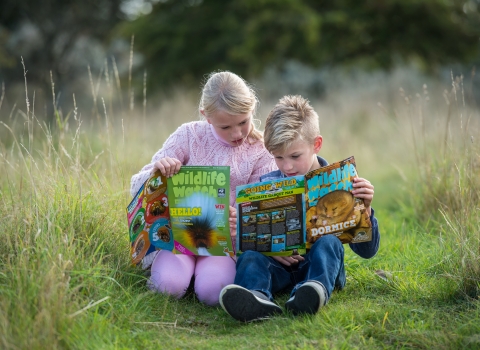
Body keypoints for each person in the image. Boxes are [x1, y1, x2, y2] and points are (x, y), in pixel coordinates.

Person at [219, 95, 380, 321]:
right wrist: (248, 234)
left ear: (316, 144)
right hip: (279, 269)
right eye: (278, 157)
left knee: (329, 242)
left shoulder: (344, 183)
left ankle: (314, 290)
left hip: (318, 266)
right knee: (251, 255)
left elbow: (367, 252)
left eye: (295, 156)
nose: (287, 166)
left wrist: (367, 209)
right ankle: (256, 296)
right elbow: (251, 242)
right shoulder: (267, 185)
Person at [130, 71, 277, 306]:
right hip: (178, 240)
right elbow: (141, 185)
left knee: (213, 292)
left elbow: (263, 203)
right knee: (167, 287)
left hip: (224, 244)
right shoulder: (188, 135)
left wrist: (238, 217)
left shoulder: (259, 150)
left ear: (253, 109)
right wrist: (159, 170)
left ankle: (199, 280)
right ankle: (180, 277)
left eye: (243, 122)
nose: (237, 133)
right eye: (225, 126)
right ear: (206, 117)